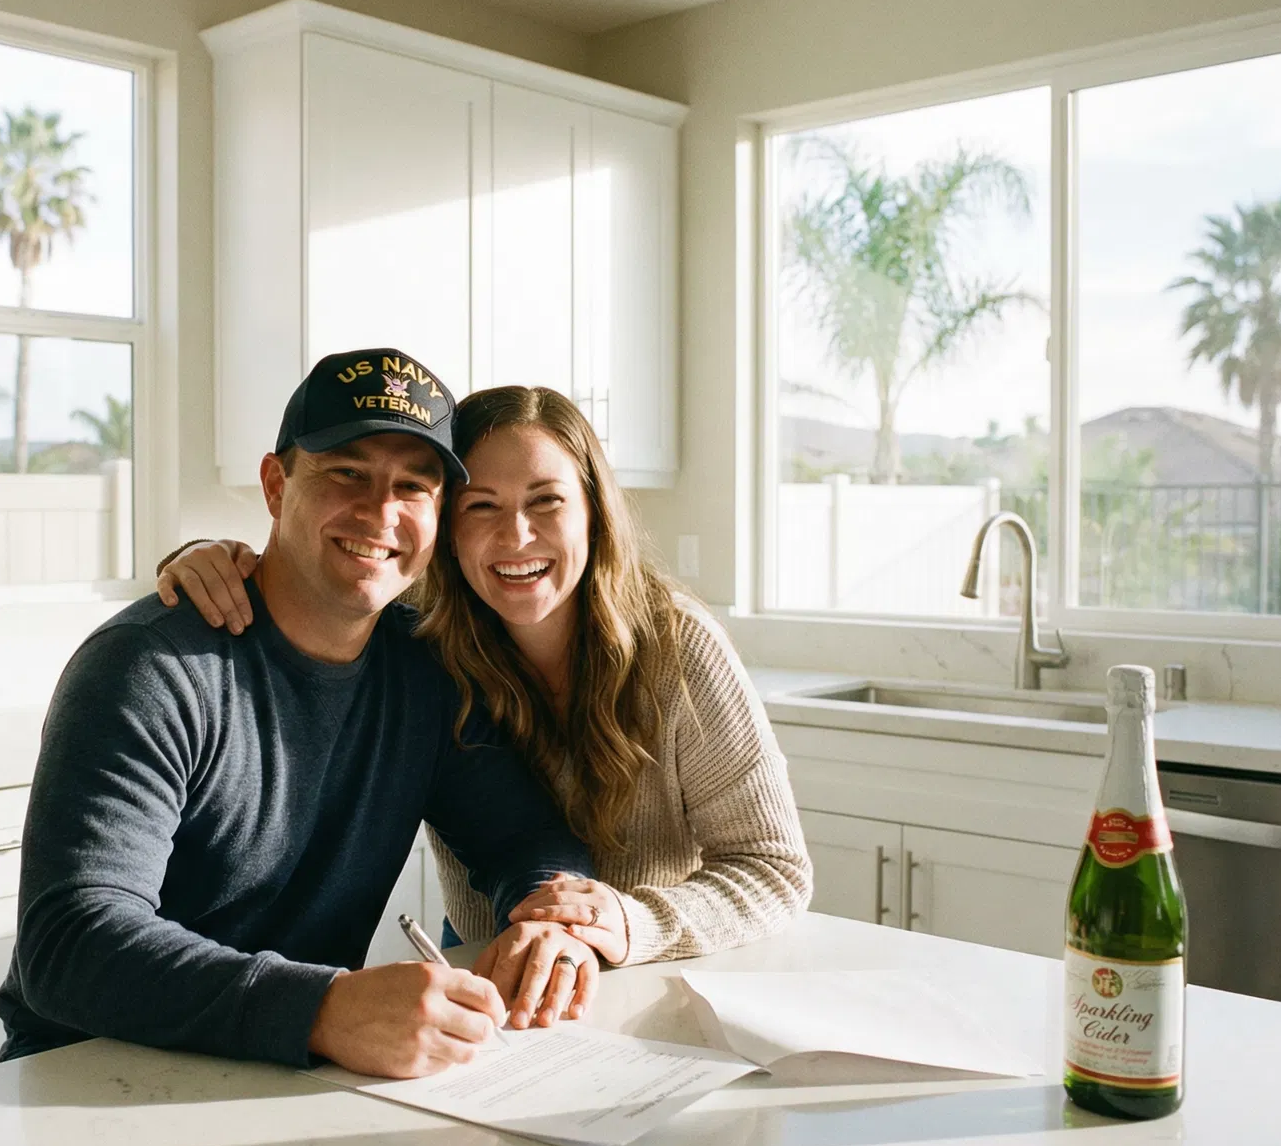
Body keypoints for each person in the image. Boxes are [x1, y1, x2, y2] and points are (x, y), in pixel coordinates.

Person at [0, 351, 599, 1081]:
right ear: (277, 485)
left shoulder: (423, 671)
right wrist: (324, 1008)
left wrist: (551, 925)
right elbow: (70, 945)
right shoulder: (147, 668)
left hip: (285, 1073)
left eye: (414, 486)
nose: (381, 513)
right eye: (347, 473)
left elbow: (525, 835)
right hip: (92, 1081)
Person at [157, 385, 813, 1006]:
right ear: (447, 525)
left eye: (546, 501)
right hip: (487, 965)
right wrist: (205, 559)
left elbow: (774, 869)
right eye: (482, 507)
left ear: (594, 510)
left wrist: (626, 919)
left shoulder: (677, 648)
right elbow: (320, 582)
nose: (516, 536)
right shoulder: (425, 645)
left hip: (651, 979)